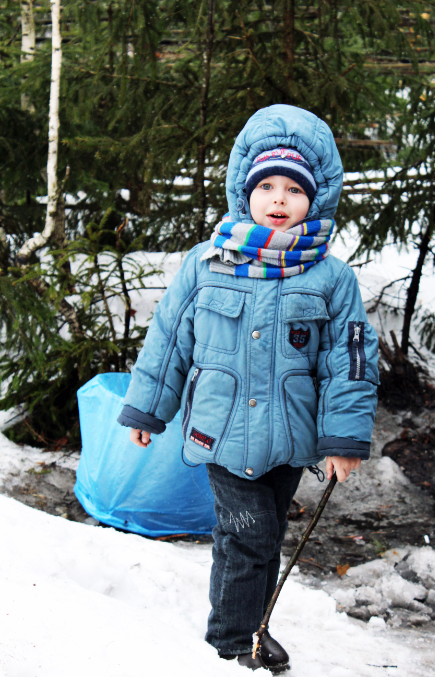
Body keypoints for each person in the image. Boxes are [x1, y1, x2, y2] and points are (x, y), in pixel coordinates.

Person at [117, 104, 379, 672]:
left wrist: (344, 437)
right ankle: (232, 642)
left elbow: (350, 362)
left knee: (263, 536)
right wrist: (147, 408)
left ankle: (252, 629)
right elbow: (169, 340)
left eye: (294, 189)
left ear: (316, 199)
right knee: (249, 533)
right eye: (266, 186)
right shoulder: (207, 263)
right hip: (221, 430)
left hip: (290, 438)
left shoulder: (331, 278)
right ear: (245, 191)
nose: (279, 199)